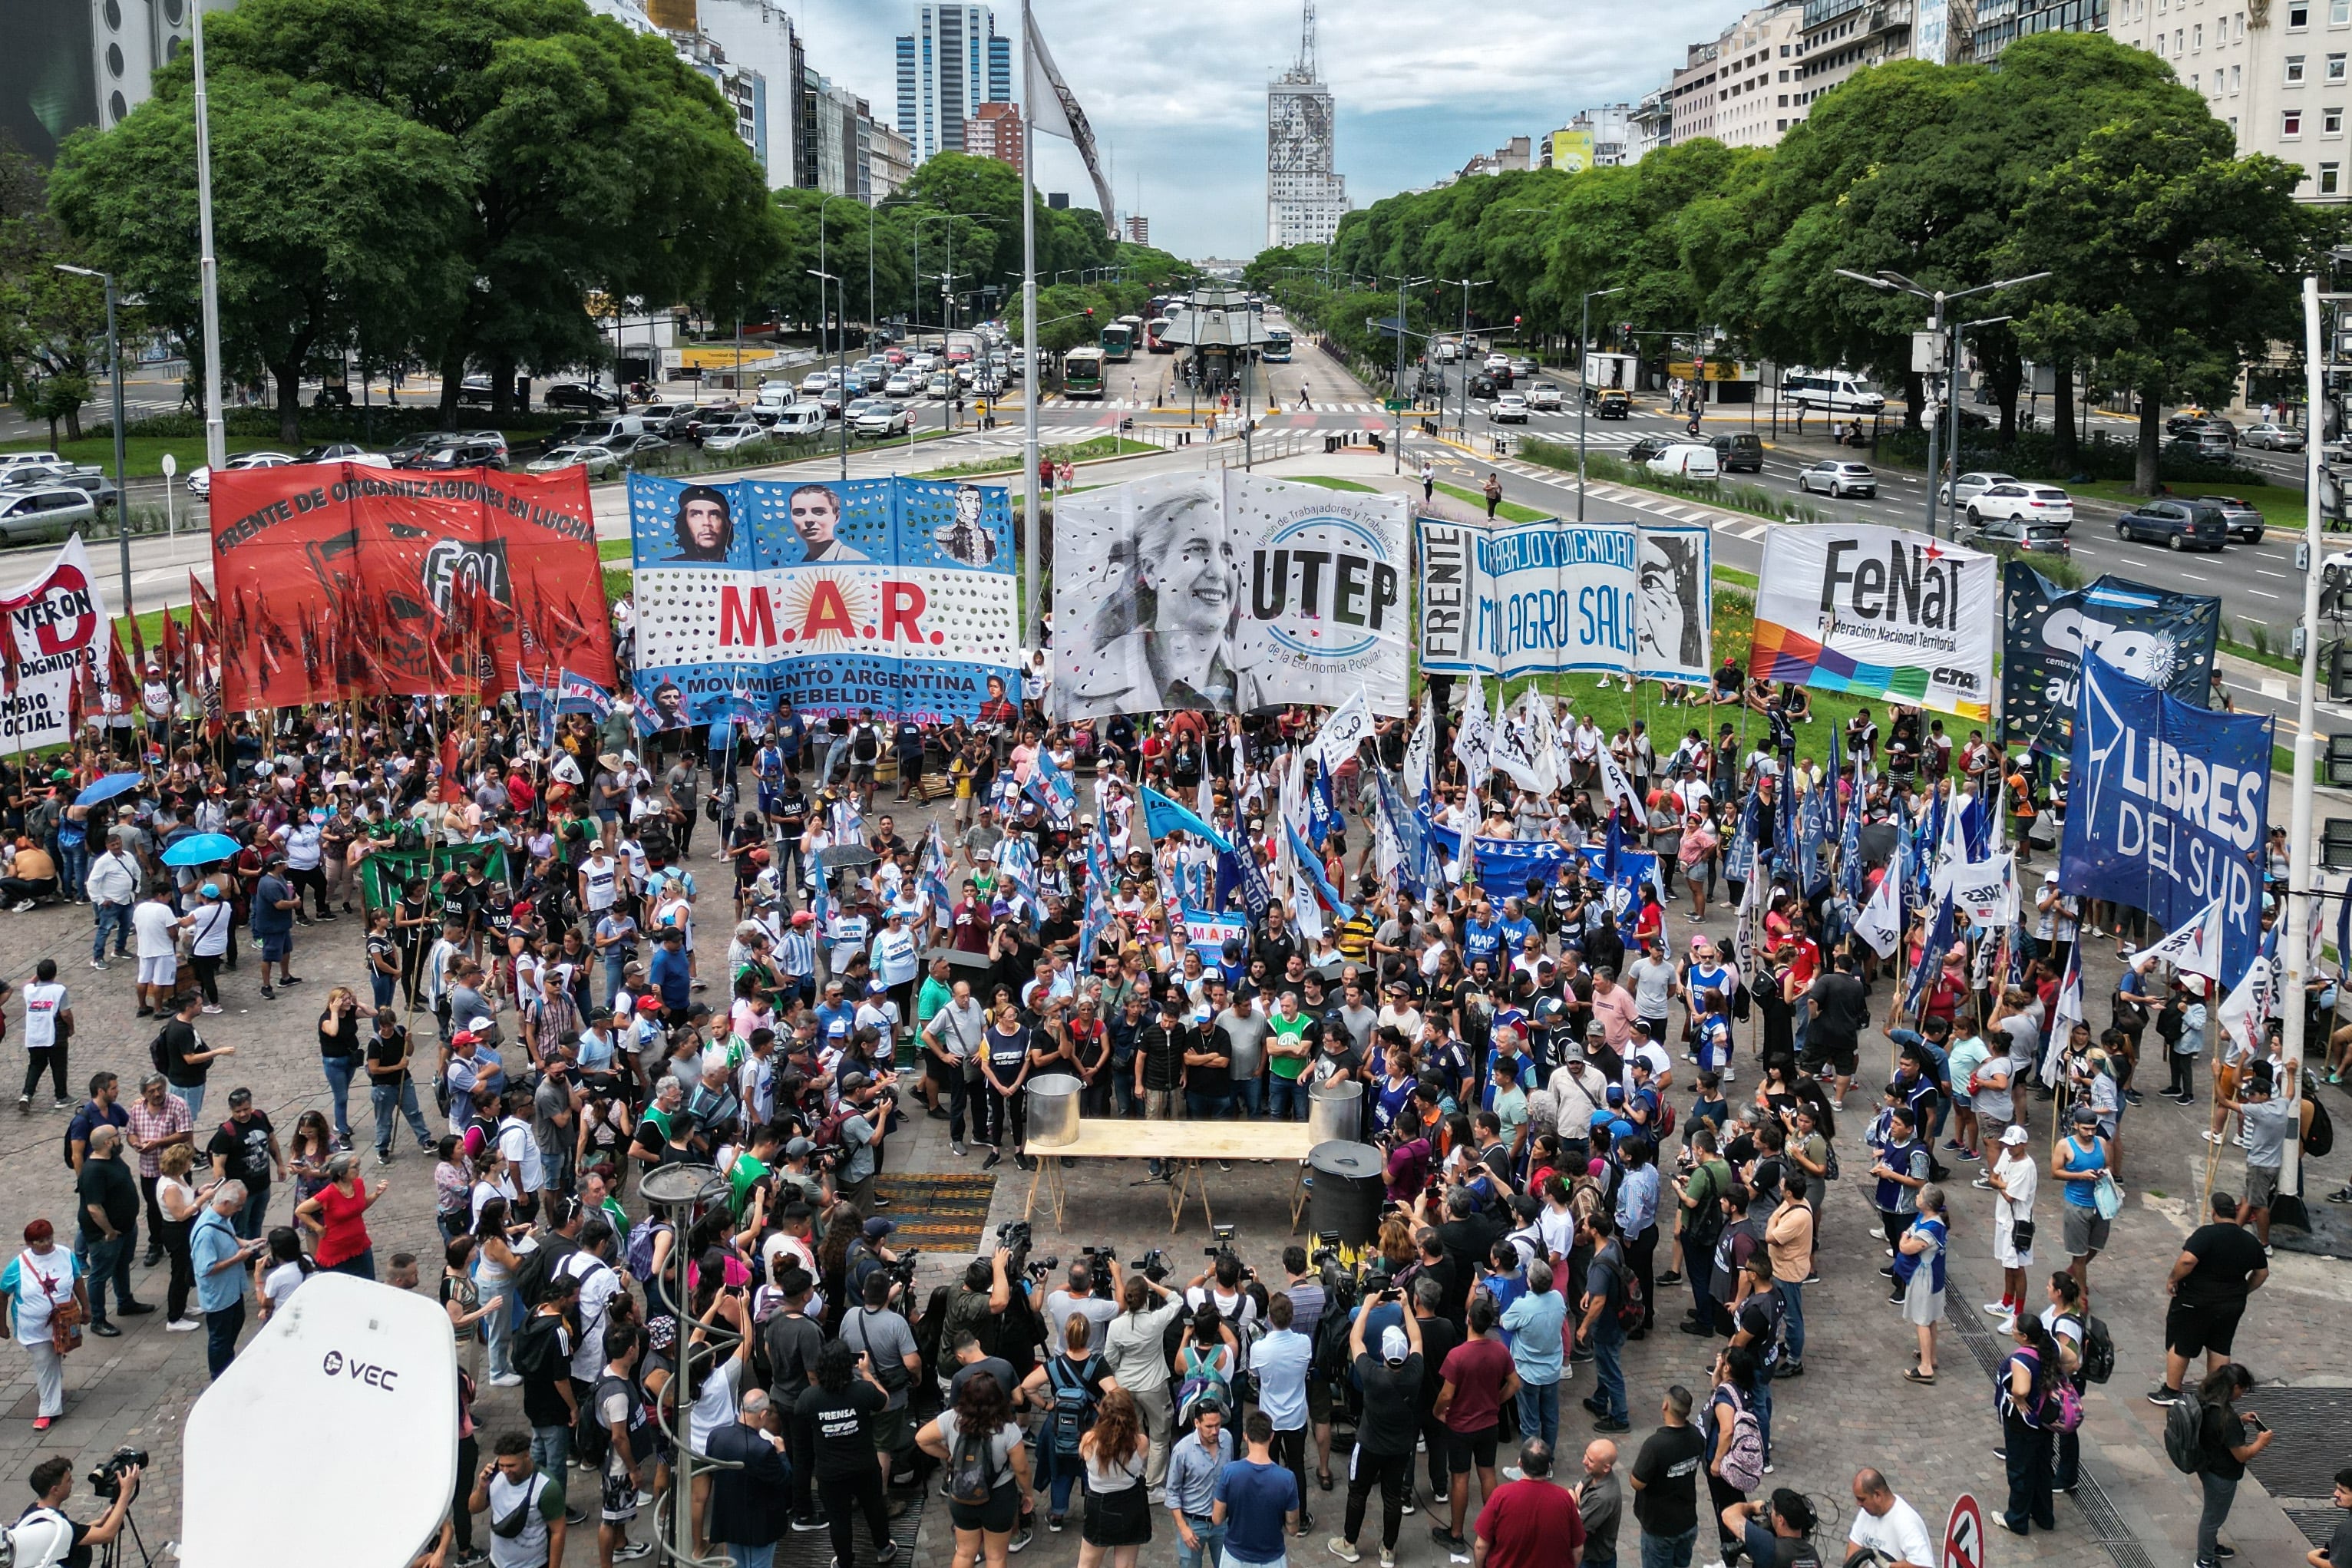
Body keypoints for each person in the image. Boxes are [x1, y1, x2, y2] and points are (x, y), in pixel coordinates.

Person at [2152, 1190, 2270, 1405]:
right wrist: (2244, 1290)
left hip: (2196, 1300)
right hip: (2232, 1303)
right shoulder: (2249, 1240)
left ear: (2214, 1213)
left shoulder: (2206, 1234)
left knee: (2182, 1344)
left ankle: (2171, 1391)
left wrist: (2172, 1279)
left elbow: (2187, 1261)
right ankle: (2216, 1395)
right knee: (2220, 1347)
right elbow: (2262, 1273)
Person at [1329, 1310, 1422, 1565]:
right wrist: (1405, 1305)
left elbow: (1355, 1340)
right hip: (1400, 1447)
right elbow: (1417, 1340)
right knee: (1392, 1497)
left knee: (1357, 1491)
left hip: (1369, 1444)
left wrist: (1368, 1304)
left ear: (1382, 1353)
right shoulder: (1414, 1373)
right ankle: (1388, 1550)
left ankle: (1349, 1543)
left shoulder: (1372, 1375)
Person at [797, 1339, 898, 1568]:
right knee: (875, 1509)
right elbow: (885, 1403)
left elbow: (800, 1416)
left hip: (830, 1472)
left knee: (838, 1519)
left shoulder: (809, 1398)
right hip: (864, 1465)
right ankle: (883, 1547)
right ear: (848, 1365)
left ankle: (844, 1561)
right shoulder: (862, 1391)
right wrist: (867, 1373)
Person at [916, 1372, 1032, 1568]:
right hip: (999, 1497)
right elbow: (1021, 1469)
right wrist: (1028, 1494)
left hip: (962, 1493)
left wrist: (948, 1455)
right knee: (996, 1557)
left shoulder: (951, 1419)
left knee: (964, 1552)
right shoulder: (1008, 1429)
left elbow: (921, 1438)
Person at [2, 1220, 88, 1431]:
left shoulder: (66, 1255)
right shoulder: (19, 1265)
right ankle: (48, 1410)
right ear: (30, 1243)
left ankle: (51, 1389)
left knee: (53, 1356)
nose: (47, 1243)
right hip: (33, 1327)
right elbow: (3, 1293)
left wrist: (86, 1307)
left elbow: (77, 1280)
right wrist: (1, 1324)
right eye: (40, 1240)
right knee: (45, 1360)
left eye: (49, 1238)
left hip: (63, 1322)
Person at [2192, 1363, 2271, 1568]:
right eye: (2243, 1390)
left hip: (2207, 1464)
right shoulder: (2226, 1419)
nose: (2242, 1394)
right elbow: (2241, 1455)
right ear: (2235, 1387)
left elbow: (2218, 1433)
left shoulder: (2207, 1399)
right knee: (2213, 1517)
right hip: (2222, 1474)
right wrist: (2260, 1443)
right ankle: (2204, 1559)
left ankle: (2210, 1546)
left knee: (2213, 1514)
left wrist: (2241, 1420)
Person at [73, 1126, 150, 1334]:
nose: (120, 1139)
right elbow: (94, 1208)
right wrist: (109, 1231)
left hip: (125, 1228)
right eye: (117, 1136)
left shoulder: (112, 1158)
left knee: (122, 1265)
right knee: (100, 1275)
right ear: (107, 1142)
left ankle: (125, 1301)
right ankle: (98, 1319)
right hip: (105, 1234)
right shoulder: (94, 1170)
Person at [705, 1388, 791, 1568]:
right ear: (763, 1414)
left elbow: (712, 1471)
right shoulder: (762, 1449)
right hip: (759, 1527)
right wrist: (782, 1453)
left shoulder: (716, 1437)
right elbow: (785, 1480)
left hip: (729, 1520)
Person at [190, 1180, 265, 1379]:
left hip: (232, 1289)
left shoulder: (222, 1218)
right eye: (238, 1206)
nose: (240, 1210)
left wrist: (248, 1244)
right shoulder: (206, 1233)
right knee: (220, 1340)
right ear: (224, 1202)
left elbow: (231, 1236)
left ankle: (227, 1367)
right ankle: (219, 1376)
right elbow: (206, 1269)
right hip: (219, 1295)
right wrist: (237, 1259)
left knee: (234, 1328)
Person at [12, 1453, 142, 1568]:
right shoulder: (55, 1524)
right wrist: (126, 1491)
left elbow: (70, 1535)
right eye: (68, 1480)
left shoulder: (34, 1511)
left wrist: (99, 1522)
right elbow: (107, 1535)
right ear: (55, 1490)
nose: (72, 1482)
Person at [1475, 1439, 1586, 1568]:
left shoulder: (1501, 1495)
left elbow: (1480, 1546)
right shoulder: (1564, 1498)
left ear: (1520, 1463)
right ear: (1548, 1466)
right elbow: (1578, 1550)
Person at [1995, 1313, 2058, 1536]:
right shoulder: (2049, 1348)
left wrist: (2018, 1399)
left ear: (2023, 1336)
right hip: (2044, 1421)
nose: (2012, 1331)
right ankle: (2044, 1516)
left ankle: (2017, 1519)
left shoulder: (2022, 1358)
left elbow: (2020, 1388)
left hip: (2023, 1423)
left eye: (2014, 1328)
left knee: (2020, 1470)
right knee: (2042, 1468)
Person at [1629, 1385, 1704, 1568]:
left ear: (1665, 1406)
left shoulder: (1655, 1445)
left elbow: (1638, 1483)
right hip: (1687, 1521)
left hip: (1659, 1527)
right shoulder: (1696, 1435)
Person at [468, 1431, 568, 1568]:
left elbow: (558, 1531)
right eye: (502, 1465)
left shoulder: (547, 1487)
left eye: (511, 1466)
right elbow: (473, 1508)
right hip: (496, 1563)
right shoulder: (494, 1476)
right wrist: (482, 1488)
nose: (505, 1471)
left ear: (527, 1456)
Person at [1077, 1388, 1153, 1566]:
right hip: (1131, 1503)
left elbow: (1082, 1454)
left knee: (1088, 1562)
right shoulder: (1140, 1442)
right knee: (1126, 1564)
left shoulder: (1089, 1441)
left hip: (1100, 1504)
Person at [1214, 1411, 1298, 1568]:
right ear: (1272, 1437)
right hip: (1271, 1558)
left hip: (1235, 1557)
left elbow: (1217, 1518)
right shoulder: (1287, 1479)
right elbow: (1293, 1527)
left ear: (1246, 1436)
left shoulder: (1230, 1472)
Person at [296, 1150, 388, 1280]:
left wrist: (376, 1194)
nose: (359, 1169)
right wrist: (318, 1228)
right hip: (336, 1252)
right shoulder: (328, 1194)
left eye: (359, 1165)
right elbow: (300, 1211)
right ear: (341, 1172)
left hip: (360, 1245)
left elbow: (360, 1207)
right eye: (354, 1167)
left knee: (368, 1286)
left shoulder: (359, 1184)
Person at [1166, 1401, 1234, 1568]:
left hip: (1222, 1523)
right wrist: (1183, 1528)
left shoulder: (1227, 1440)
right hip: (1193, 1524)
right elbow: (1172, 1492)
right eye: (1209, 1426)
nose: (1215, 1431)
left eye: (1218, 1425)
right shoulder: (1182, 1451)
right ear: (1197, 1423)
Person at [1892, 1184, 1947, 1382]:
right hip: (1931, 1275)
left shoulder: (1931, 1228)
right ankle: (1930, 1357)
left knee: (1922, 1320)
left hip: (1925, 1278)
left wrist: (1904, 1238)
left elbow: (1906, 1248)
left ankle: (1925, 1368)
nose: (1917, 1197)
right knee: (1930, 1317)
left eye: (1920, 1195)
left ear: (1927, 1203)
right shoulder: (1927, 1219)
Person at [1846, 1469, 1934, 1568]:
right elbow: (1854, 1544)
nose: (1858, 1504)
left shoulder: (1905, 1521)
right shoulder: (1867, 1512)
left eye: (1862, 1499)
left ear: (1877, 1495)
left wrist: (1887, 1566)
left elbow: (1923, 1565)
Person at [1577, 1440, 1624, 1568]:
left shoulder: (1602, 1498)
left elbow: (1576, 1527)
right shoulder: (1597, 1474)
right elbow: (1575, 1487)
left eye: (1591, 1461)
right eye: (1586, 1455)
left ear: (1606, 1467)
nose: (1584, 1461)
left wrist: (1576, 1499)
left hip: (1595, 1561)